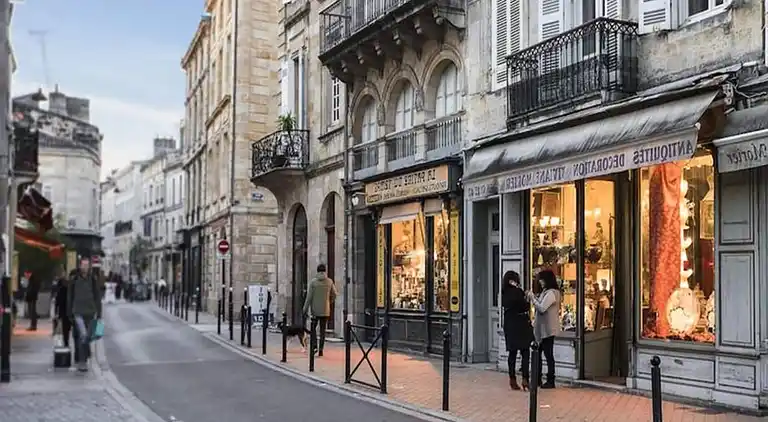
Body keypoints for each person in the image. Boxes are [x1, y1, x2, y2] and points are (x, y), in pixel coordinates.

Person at [527, 269, 561, 389]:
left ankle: (550, 380)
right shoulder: (546, 292)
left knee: (548, 354)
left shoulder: (552, 293)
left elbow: (542, 308)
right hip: (542, 329)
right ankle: (538, 378)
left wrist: (532, 298)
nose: (540, 282)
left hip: (548, 329)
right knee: (538, 354)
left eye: (542, 279)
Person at [68, 259, 103, 372]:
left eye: (87, 265)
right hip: (78, 311)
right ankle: (82, 361)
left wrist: (99, 312)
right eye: (83, 265)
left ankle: (85, 355)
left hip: (90, 312)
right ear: (80, 266)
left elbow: (97, 296)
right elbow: (70, 296)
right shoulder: (75, 279)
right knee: (82, 335)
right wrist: (70, 312)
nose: (85, 267)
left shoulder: (92, 279)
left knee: (88, 336)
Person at [502, 270, 533, 390]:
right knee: (525, 353)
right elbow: (524, 306)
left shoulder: (504, 292)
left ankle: (512, 379)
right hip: (521, 324)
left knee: (512, 354)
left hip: (509, 324)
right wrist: (527, 298)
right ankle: (525, 379)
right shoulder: (518, 291)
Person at [303, 264, 338, 357]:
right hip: (325, 310)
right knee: (323, 331)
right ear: (325, 271)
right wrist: (329, 302)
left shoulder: (313, 282)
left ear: (317, 271)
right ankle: (321, 350)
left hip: (315, 310)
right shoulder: (329, 282)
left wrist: (305, 309)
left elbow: (309, 297)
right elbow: (335, 294)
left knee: (313, 329)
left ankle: (314, 346)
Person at [52, 269, 72, 348]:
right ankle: (67, 342)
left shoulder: (60, 291)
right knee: (67, 328)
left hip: (63, 312)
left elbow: (57, 303)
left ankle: (66, 342)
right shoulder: (69, 290)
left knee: (65, 329)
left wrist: (56, 313)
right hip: (69, 311)